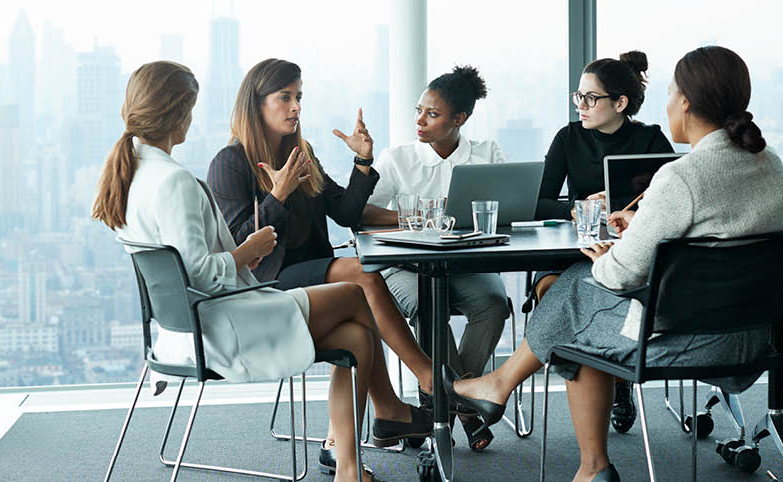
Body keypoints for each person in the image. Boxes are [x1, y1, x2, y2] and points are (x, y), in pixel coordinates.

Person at [444, 46, 783, 482]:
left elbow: (619, 275)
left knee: (574, 289)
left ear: (685, 102)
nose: (666, 104)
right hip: (754, 340)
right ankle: (569, 449)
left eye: (670, 94)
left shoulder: (681, 176)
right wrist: (644, 222)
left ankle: (531, 413)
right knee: (574, 309)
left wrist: (609, 255)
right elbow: (716, 228)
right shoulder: (770, 164)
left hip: (683, 339)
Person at [92, 61, 395, 482]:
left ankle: (348, 465)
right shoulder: (176, 180)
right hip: (221, 324)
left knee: (357, 336)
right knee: (354, 293)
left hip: (183, 330)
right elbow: (200, 273)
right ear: (178, 112)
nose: (193, 118)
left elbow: (342, 209)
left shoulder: (132, 176)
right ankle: (393, 409)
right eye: (190, 108)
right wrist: (246, 251)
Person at [206, 59, 432, 471]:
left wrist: (363, 162)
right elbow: (240, 245)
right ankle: (425, 377)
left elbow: (344, 211)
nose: (295, 107)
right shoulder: (229, 163)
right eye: (285, 98)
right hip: (266, 286)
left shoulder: (301, 152)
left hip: (315, 278)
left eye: (299, 98)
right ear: (256, 105)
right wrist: (276, 195)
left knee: (354, 333)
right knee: (360, 273)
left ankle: (356, 436)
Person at [361, 65, 510, 451]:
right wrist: (415, 218)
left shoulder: (487, 154)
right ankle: (466, 410)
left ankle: (450, 397)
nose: (420, 121)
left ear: (459, 119)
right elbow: (362, 212)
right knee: (430, 304)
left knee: (494, 305)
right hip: (407, 266)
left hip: (466, 264)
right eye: (419, 110)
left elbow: (509, 209)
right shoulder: (399, 158)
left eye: (432, 114)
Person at [533, 51, 675, 432]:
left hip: (632, 250)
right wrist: (579, 208)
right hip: (576, 247)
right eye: (578, 96)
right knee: (551, 290)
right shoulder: (568, 138)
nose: (581, 105)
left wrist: (617, 206)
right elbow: (540, 202)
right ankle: (608, 378)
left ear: (620, 103)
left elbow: (666, 203)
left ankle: (617, 373)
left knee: (619, 293)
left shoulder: (651, 139)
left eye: (590, 98)